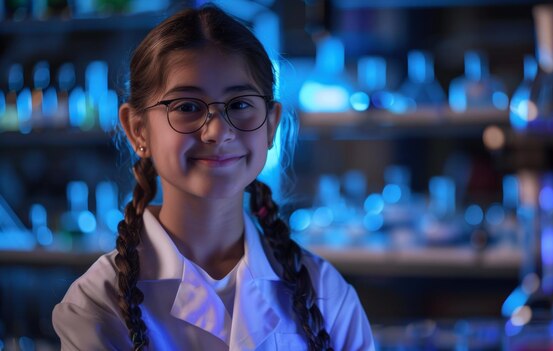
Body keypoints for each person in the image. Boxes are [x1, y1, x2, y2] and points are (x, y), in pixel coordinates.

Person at [52, 4, 374, 351]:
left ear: (270, 125)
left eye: (239, 105)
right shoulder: (96, 304)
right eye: (187, 107)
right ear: (137, 129)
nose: (218, 132)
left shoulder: (327, 295)